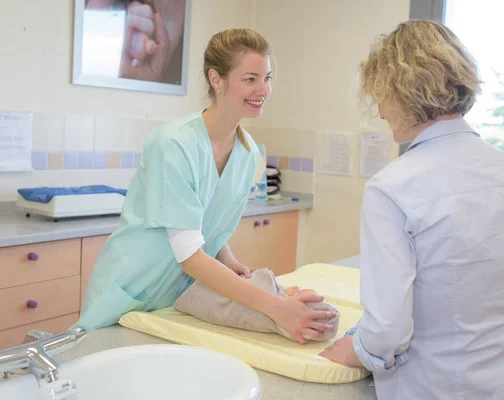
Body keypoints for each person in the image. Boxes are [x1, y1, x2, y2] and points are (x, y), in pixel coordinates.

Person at [319, 20, 504, 399]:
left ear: (400, 91)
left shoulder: (391, 188)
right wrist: (478, 315)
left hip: (433, 386)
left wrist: (355, 350)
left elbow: (388, 331)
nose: (382, 112)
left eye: (381, 96)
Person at [76, 28, 335, 345]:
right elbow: (189, 254)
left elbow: (206, 218)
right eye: (250, 78)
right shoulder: (174, 145)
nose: (263, 89)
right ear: (216, 79)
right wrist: (277, 308)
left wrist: (229, 260)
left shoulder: (247, 151)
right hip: (131, 293)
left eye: (267, 78)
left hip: (176, 301)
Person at [174, 267, 340, 342]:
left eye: (299, 292)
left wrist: (228, 261)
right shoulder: (271, 294)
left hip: (182, 286)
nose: (296, 286)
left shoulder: (269, 294)